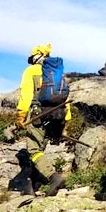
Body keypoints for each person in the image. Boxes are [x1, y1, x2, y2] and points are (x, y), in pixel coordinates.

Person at [16, 43, 71, 196]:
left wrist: (20, 115)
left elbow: (26, 95)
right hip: (57, 116)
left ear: (36, 56)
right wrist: (66, 120)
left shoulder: (31, 71)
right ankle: (30, 187)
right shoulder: (57, 73)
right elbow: (65, 98)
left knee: (33, 150)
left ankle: (53, 177)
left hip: (38, 116)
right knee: (40, 151)